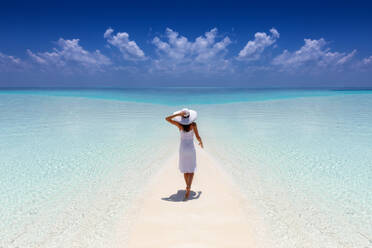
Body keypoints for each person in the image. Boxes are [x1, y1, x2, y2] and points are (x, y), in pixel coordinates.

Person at [165, 108, 203, 200]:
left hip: (182, 149)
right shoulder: (193, 125)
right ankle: (189, 187)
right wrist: (201, 142)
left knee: (185, 170)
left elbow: (167, 119)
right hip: (191, 148)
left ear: (182, 117)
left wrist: (177, 115)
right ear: (190, 117)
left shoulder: (179, 125)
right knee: (191, 169)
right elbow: (198, 137)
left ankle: (187, 186)